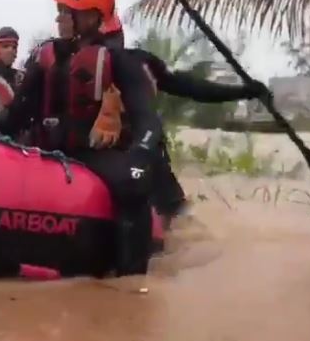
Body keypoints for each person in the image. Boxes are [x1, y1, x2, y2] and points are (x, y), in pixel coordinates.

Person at [0, 0, 167, 276]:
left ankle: (130, 279)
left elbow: (146, 118)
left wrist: (141, 154)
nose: (59, 19)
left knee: (132, 187)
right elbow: (15, 115)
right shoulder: (45, 56)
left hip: (92, 152)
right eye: (59, 12)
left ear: (90, 16)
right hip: (46, 148)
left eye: (66, 12)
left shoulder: (119, 61)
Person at [89, 14, 269, 226]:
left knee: (178, 222)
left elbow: (191, 87)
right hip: (114, 158)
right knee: (178, 223)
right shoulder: (62, 64)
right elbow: (190, 88)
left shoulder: (139, 63)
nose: (110, 50)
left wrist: (243, 92)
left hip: (139, 158)